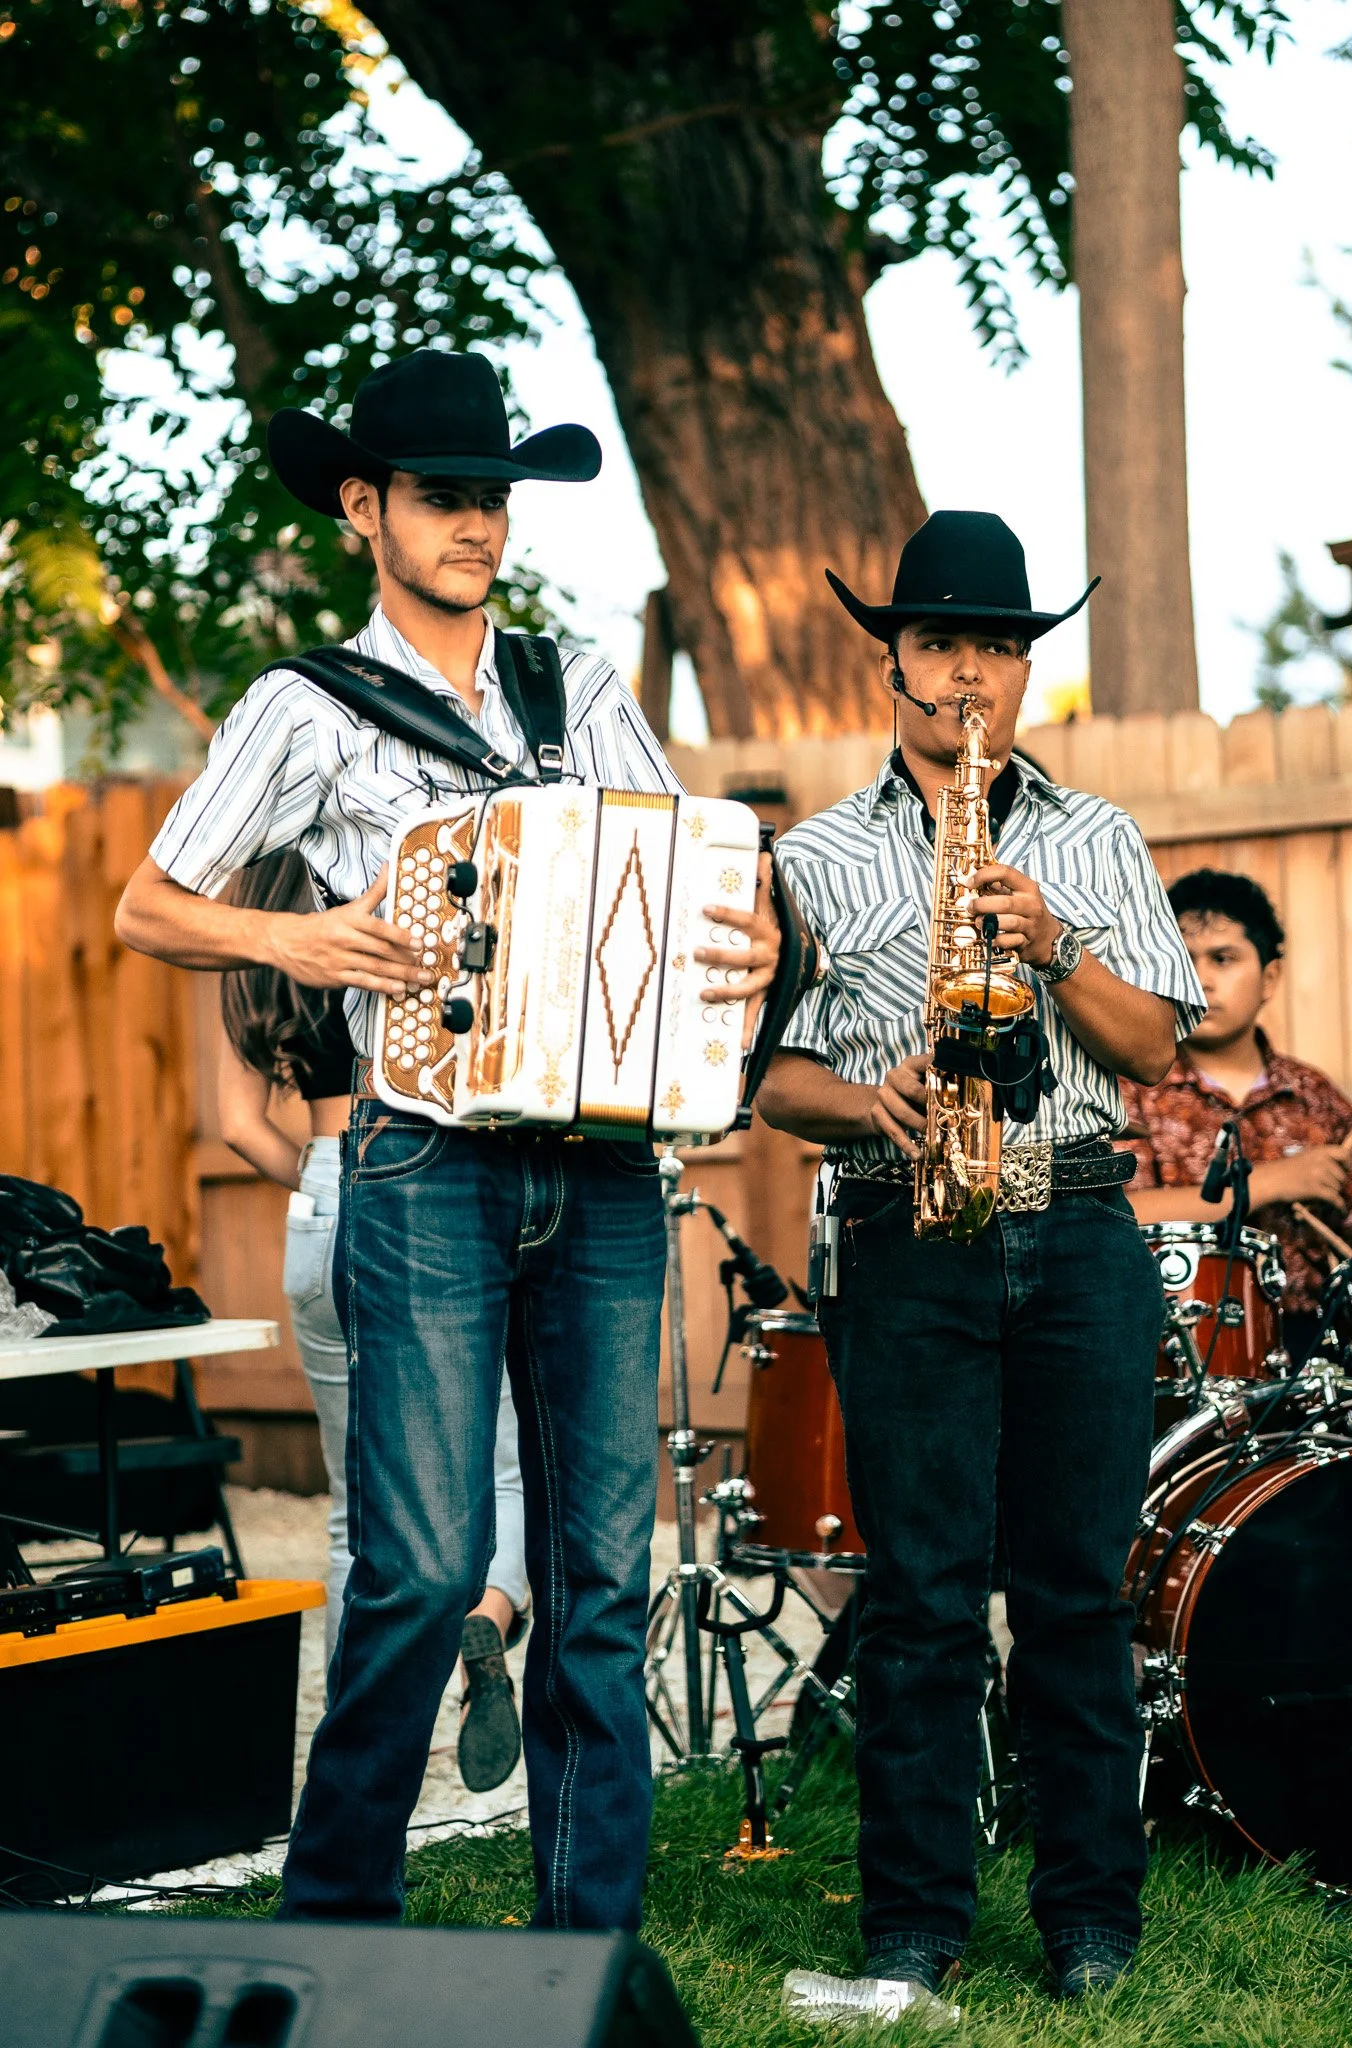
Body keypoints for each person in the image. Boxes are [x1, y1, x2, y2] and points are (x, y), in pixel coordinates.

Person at [113, 347, 779, 1930]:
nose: (475, 521)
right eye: (440, 495)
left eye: (492, 495)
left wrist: (754, 939)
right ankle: (335, 1935)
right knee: (415, 1577)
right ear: (365, 507)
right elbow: (150, 905)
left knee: (603, 1587)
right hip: (424, 1158)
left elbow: (681, 867)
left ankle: (586, 1957)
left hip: (606, 1164)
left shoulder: (580, 687)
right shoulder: (304, 706)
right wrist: (309, 945)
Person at [758, 511, 1204, 2010]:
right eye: (940, 644)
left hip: (1074, 1220)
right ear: (892, 658)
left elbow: (1154, 1048)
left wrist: (1056, 942)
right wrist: (865, 1101)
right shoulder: (813, 858)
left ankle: (1088, 1918)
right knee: (924, 1598)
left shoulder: (1097, 840)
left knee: (1076, 1592)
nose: (967, 675)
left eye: (996, 650)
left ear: (1024, 673)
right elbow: (769, 1079)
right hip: (907, 1224)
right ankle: (912, 1925)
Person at [217, 850, 529, 1792]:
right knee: (503, 1469)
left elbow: (239, 1126)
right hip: (422, 1187)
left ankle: (353, 1763)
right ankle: (488, 1611)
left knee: (356, 1506)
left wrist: (322, 1187)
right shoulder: (381, 927)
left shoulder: (249, 952)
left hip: (317, 1204)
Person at [1118, 868, 1352, 1364]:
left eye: (1223, 959)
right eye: (1183, 959)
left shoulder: (1318, 1098)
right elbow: (1120, 1217)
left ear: (1269, 977)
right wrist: (1268, 1183)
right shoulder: (1128, 1092)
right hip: (1171, 1351)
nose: (1201, 978)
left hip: (1316, 1351)